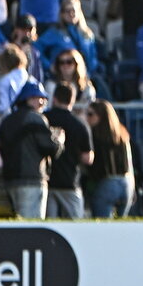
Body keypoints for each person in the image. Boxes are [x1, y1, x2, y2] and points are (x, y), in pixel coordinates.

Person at [0, 80, 64, 219]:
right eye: (38, 98)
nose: (42, 102)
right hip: (31, 180)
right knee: (32, 227)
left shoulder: (7, 120)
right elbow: (50, 148)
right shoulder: (36, 118)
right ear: (29, 99)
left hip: (10, 180)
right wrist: (59, 141)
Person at [44, 83, 93, 218]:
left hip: (47, 181)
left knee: (47, 227)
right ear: (72, 100)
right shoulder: (79, 124)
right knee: (75, 226)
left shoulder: (44, 119)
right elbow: (87, 158)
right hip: (70, 182)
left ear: (54, 98)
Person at [85, 99, 134, 218]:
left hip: (107, 183)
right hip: (126, 182)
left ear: (100, 116)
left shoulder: (95, 136)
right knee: (120, 227)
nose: (87, 118)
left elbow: (96, 167)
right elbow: (129, 162)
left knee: (102, 226)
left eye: (90, 114)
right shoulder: (122, 135)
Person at [43, 48, 96, 118]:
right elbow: (48, 108)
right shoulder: (51, 85)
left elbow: (89, 110)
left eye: (69, 62)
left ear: (77, 64)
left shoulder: (87, 87)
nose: (65, 65)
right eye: (61, 62)